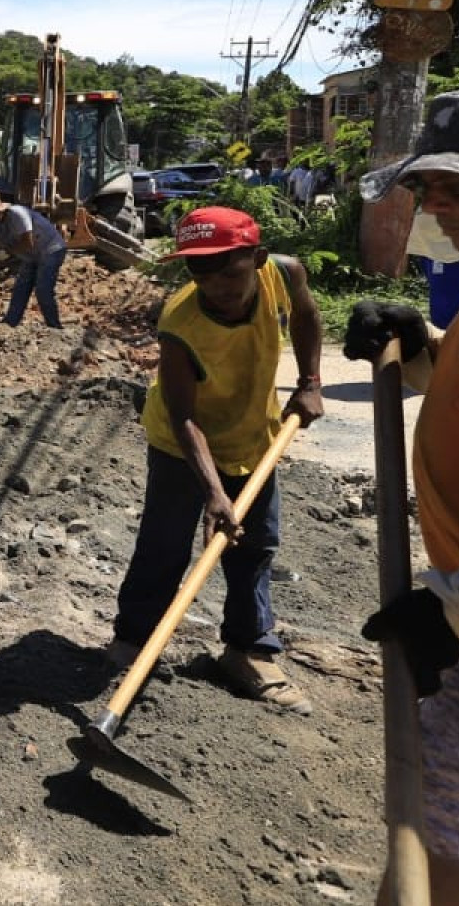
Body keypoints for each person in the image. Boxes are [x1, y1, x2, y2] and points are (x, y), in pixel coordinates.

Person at [341, 80, 459, 906]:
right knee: (442, 842)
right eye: (428, 189)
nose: (435, 208)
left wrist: (455, 612)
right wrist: (420, 351)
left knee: (443, 856)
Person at [110, 207, 325, 710]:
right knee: (163, 545)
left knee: (254, 547)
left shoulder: (285, 272)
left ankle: (248, 651)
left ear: (259, 258)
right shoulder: (180, 322)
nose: (217, 285)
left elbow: (308, 312)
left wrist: (310, 383)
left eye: (230, 271)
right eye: (200, 273)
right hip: (181, 444)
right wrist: (213, 492)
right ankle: (134, 640)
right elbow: (184, 417)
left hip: (253, 434)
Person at [0, 191, 69, 329]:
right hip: (31, 255)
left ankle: (54, 327)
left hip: (51, 248)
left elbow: (28, 242)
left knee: (43, 289)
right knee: (21, 286)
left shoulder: (17, 215)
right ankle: (10, 323)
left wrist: (8, 251)